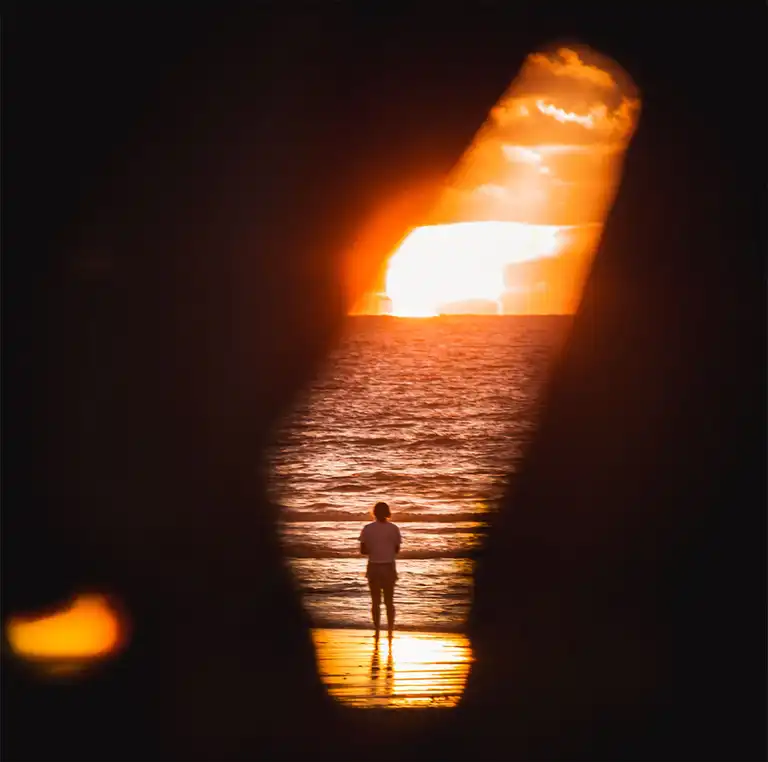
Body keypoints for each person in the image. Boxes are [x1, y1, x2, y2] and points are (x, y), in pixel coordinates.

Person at [359, 501, 401, 639]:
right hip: (388, 565)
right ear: (388, 512)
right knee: (389, 601)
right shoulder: (394, 528)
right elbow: (397, 549)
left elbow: (363, 550)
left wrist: (374, 548)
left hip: (373, 566)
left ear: (374, 513)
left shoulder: (367, 528)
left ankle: (377, 629)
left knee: (375, 601)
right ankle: (390, 629)